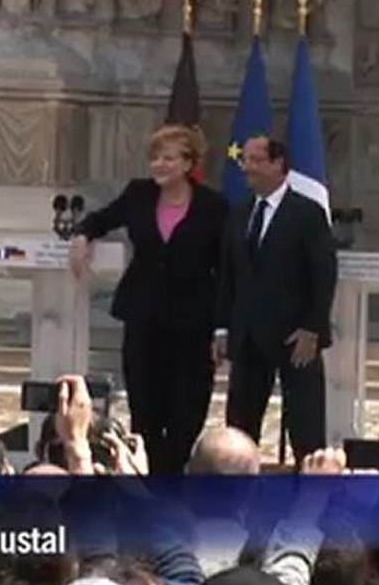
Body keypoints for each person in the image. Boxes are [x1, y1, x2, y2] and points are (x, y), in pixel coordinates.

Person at [70, 125, 229, 474]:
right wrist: (82, 236)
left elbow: (226, 270)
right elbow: (101, 219)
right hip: (144, 316)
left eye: (168, 158)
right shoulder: (138, 194)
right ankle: (150, 477)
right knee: (145, 406)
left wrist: (221, 328)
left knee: (187, 410)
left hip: (193, 323)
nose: (158, 164)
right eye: (155, 158)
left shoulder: (213, 206)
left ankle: (173, 476)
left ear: (188, 163)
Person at [213, 136, 337, 462]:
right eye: (245, 160)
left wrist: (313, 328)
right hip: (248, 337)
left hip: (295, 337)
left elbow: (323, 275)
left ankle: (308, 497)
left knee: (305, 426)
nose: (246, 167)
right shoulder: (239, 213)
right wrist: (222, 329)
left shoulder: (307, 213)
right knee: (239, 426)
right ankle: (237, 497)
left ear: (278, 164)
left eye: (255, 160)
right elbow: (229, 275)